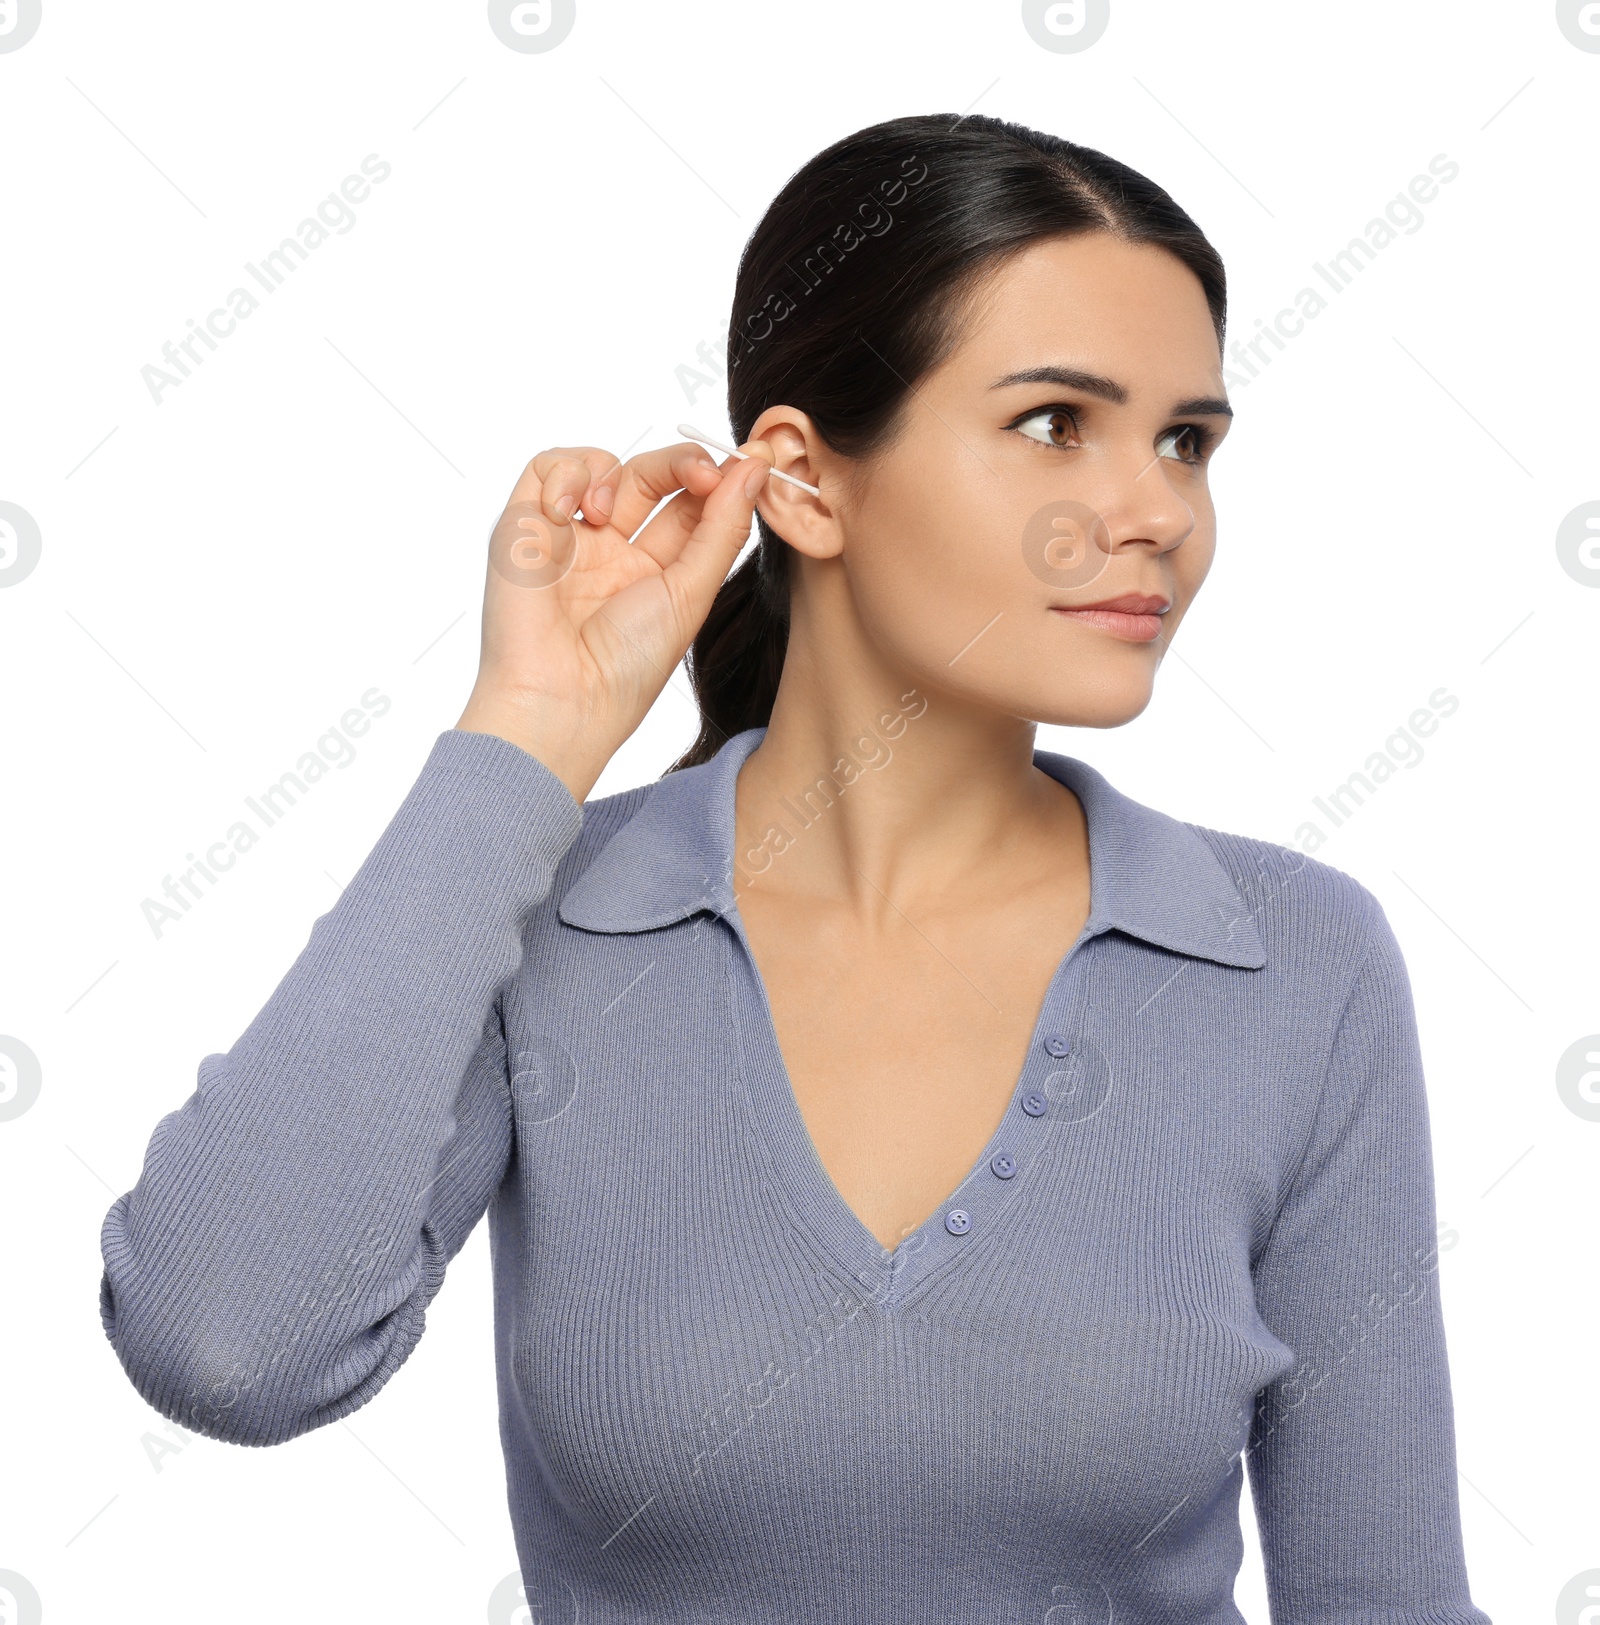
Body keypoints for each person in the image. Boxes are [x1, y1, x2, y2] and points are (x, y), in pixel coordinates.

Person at [99, 112, 1492, 1621]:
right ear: (809, 485)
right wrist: (526, 739)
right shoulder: (554, 924)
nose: (1160, 509)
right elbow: (225, 1341)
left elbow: (1387, 1600)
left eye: (1187, 441)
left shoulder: (1293, 961)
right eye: (1053, 423)